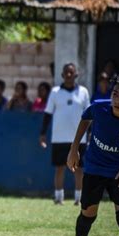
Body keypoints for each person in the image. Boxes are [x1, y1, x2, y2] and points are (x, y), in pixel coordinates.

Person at [62, 73, 119, 236]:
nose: (117, 100)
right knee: (88, 214)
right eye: (115, 94)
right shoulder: (99, 108)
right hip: (95, 168)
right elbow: (86, 118)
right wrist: (74, 148)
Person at [40, 63, 90, 205]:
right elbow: (48, 113)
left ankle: (79, 198)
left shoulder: (83, 92)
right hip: (59, 137)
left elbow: (89, 115)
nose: (68, 75)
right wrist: (43, 133)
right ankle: (58, 197)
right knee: (60, 167)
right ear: (62, 75)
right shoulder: (55, 92)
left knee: (79, 168)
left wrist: (90, 133)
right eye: (66, 72)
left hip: (79, 139)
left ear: (76, 75)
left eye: (71, 72)